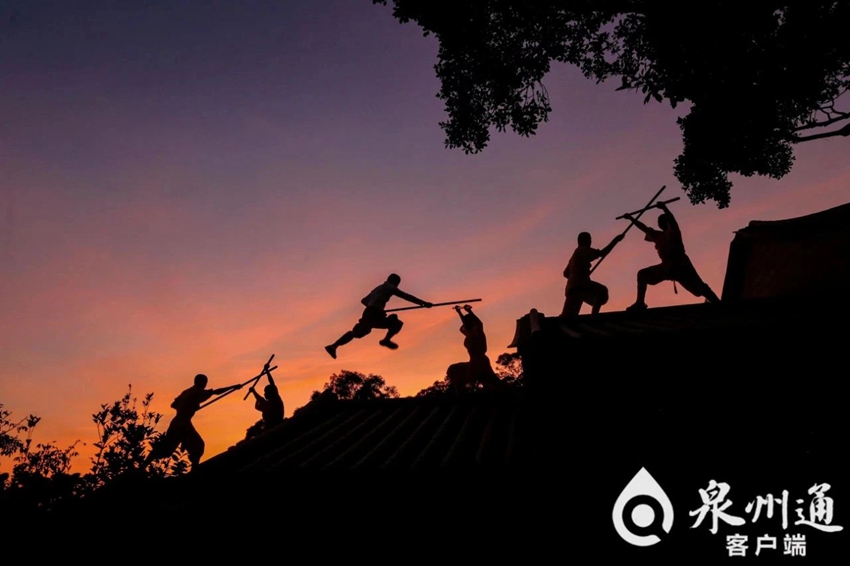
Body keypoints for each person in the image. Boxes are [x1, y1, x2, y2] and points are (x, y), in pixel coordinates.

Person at [621, 201, 721, 311]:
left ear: (667, 222)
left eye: (662, 221)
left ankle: (718, 303)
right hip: (667, 266)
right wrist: (631, 218)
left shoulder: (674, 231)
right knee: (642, 274)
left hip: (681, 265)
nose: (659, 223)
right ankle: (640, 303)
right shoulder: (658, 236)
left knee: (699, 289)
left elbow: (672, 221)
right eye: (659, 222)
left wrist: (665, 208)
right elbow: (644, 228)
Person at [144, 374, 242, 470]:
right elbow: (216, 392)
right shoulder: (197, 391)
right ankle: (194, 470)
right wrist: (234, 387)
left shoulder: (187, 392)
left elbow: (173, 404)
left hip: (176, 423)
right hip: (183, 424)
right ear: (200, 382)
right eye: (205, 382)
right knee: (198, 446)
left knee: (168, 449)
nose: (205, 385)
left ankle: (144, 464)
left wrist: (190, 405)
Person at [325, 273, 433, 358]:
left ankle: (334, 346)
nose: (397, 286)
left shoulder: (378, 288)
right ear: (394, 281)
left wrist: (377, 308)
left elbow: (364, 301)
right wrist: (423, 303)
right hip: (373, 312)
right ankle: (333, 346)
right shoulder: (390, 287)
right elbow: (406, 296)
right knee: (394, 324)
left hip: (372, 312)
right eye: (397, 284)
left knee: (394, 321)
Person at [561, 232, 624, 317]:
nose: (590, 242)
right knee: (602, 291)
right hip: (581, 285)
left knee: (569, 316)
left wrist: (579, 272)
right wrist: (615, 240)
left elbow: (565, 273)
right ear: (584, 240)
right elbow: (602, 253)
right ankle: (594, 316)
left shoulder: (575, 255)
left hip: (572, 288)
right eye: (589, 240)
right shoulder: (583, 250)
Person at [445, 305, 503, 394]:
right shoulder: (470, 334)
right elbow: (466, 324)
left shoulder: (478, 332)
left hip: (480, 360)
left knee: (490, 382)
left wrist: (469, 311)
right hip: (473, 361)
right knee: (455, 371)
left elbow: (479, 323)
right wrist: (459, 312)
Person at [245, 371, 284, 439]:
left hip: (276, 424)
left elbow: (272, 384)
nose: (264, 394)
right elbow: (260, 400)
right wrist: (254, 392)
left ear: (270, 392)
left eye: (265, 392)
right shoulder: (268, 404)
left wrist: (267, 372)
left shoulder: (275, 400)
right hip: (269, 427)